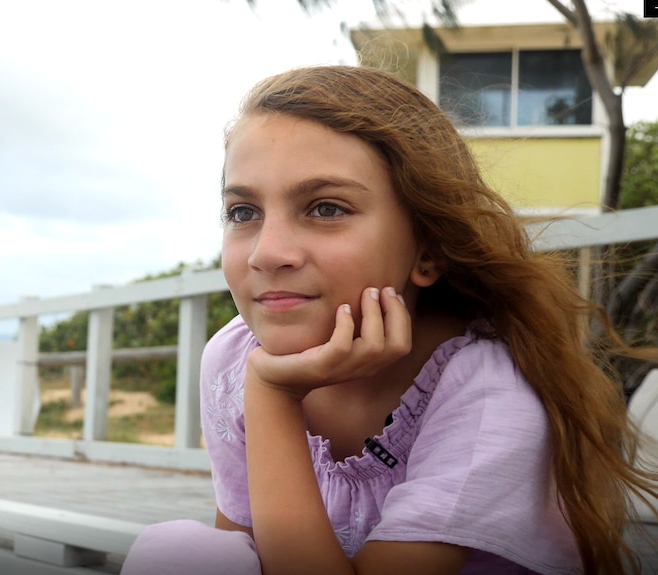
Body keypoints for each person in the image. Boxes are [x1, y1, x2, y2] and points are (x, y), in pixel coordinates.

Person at [119, 65, 658, 575]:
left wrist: (272, 395)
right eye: (244, 213)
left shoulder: (488, 393)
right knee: (186, 553)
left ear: (427, 250)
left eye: (326, 208)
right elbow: (242, 554)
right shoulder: (232, 358)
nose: (267, 252)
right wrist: (261, 385)